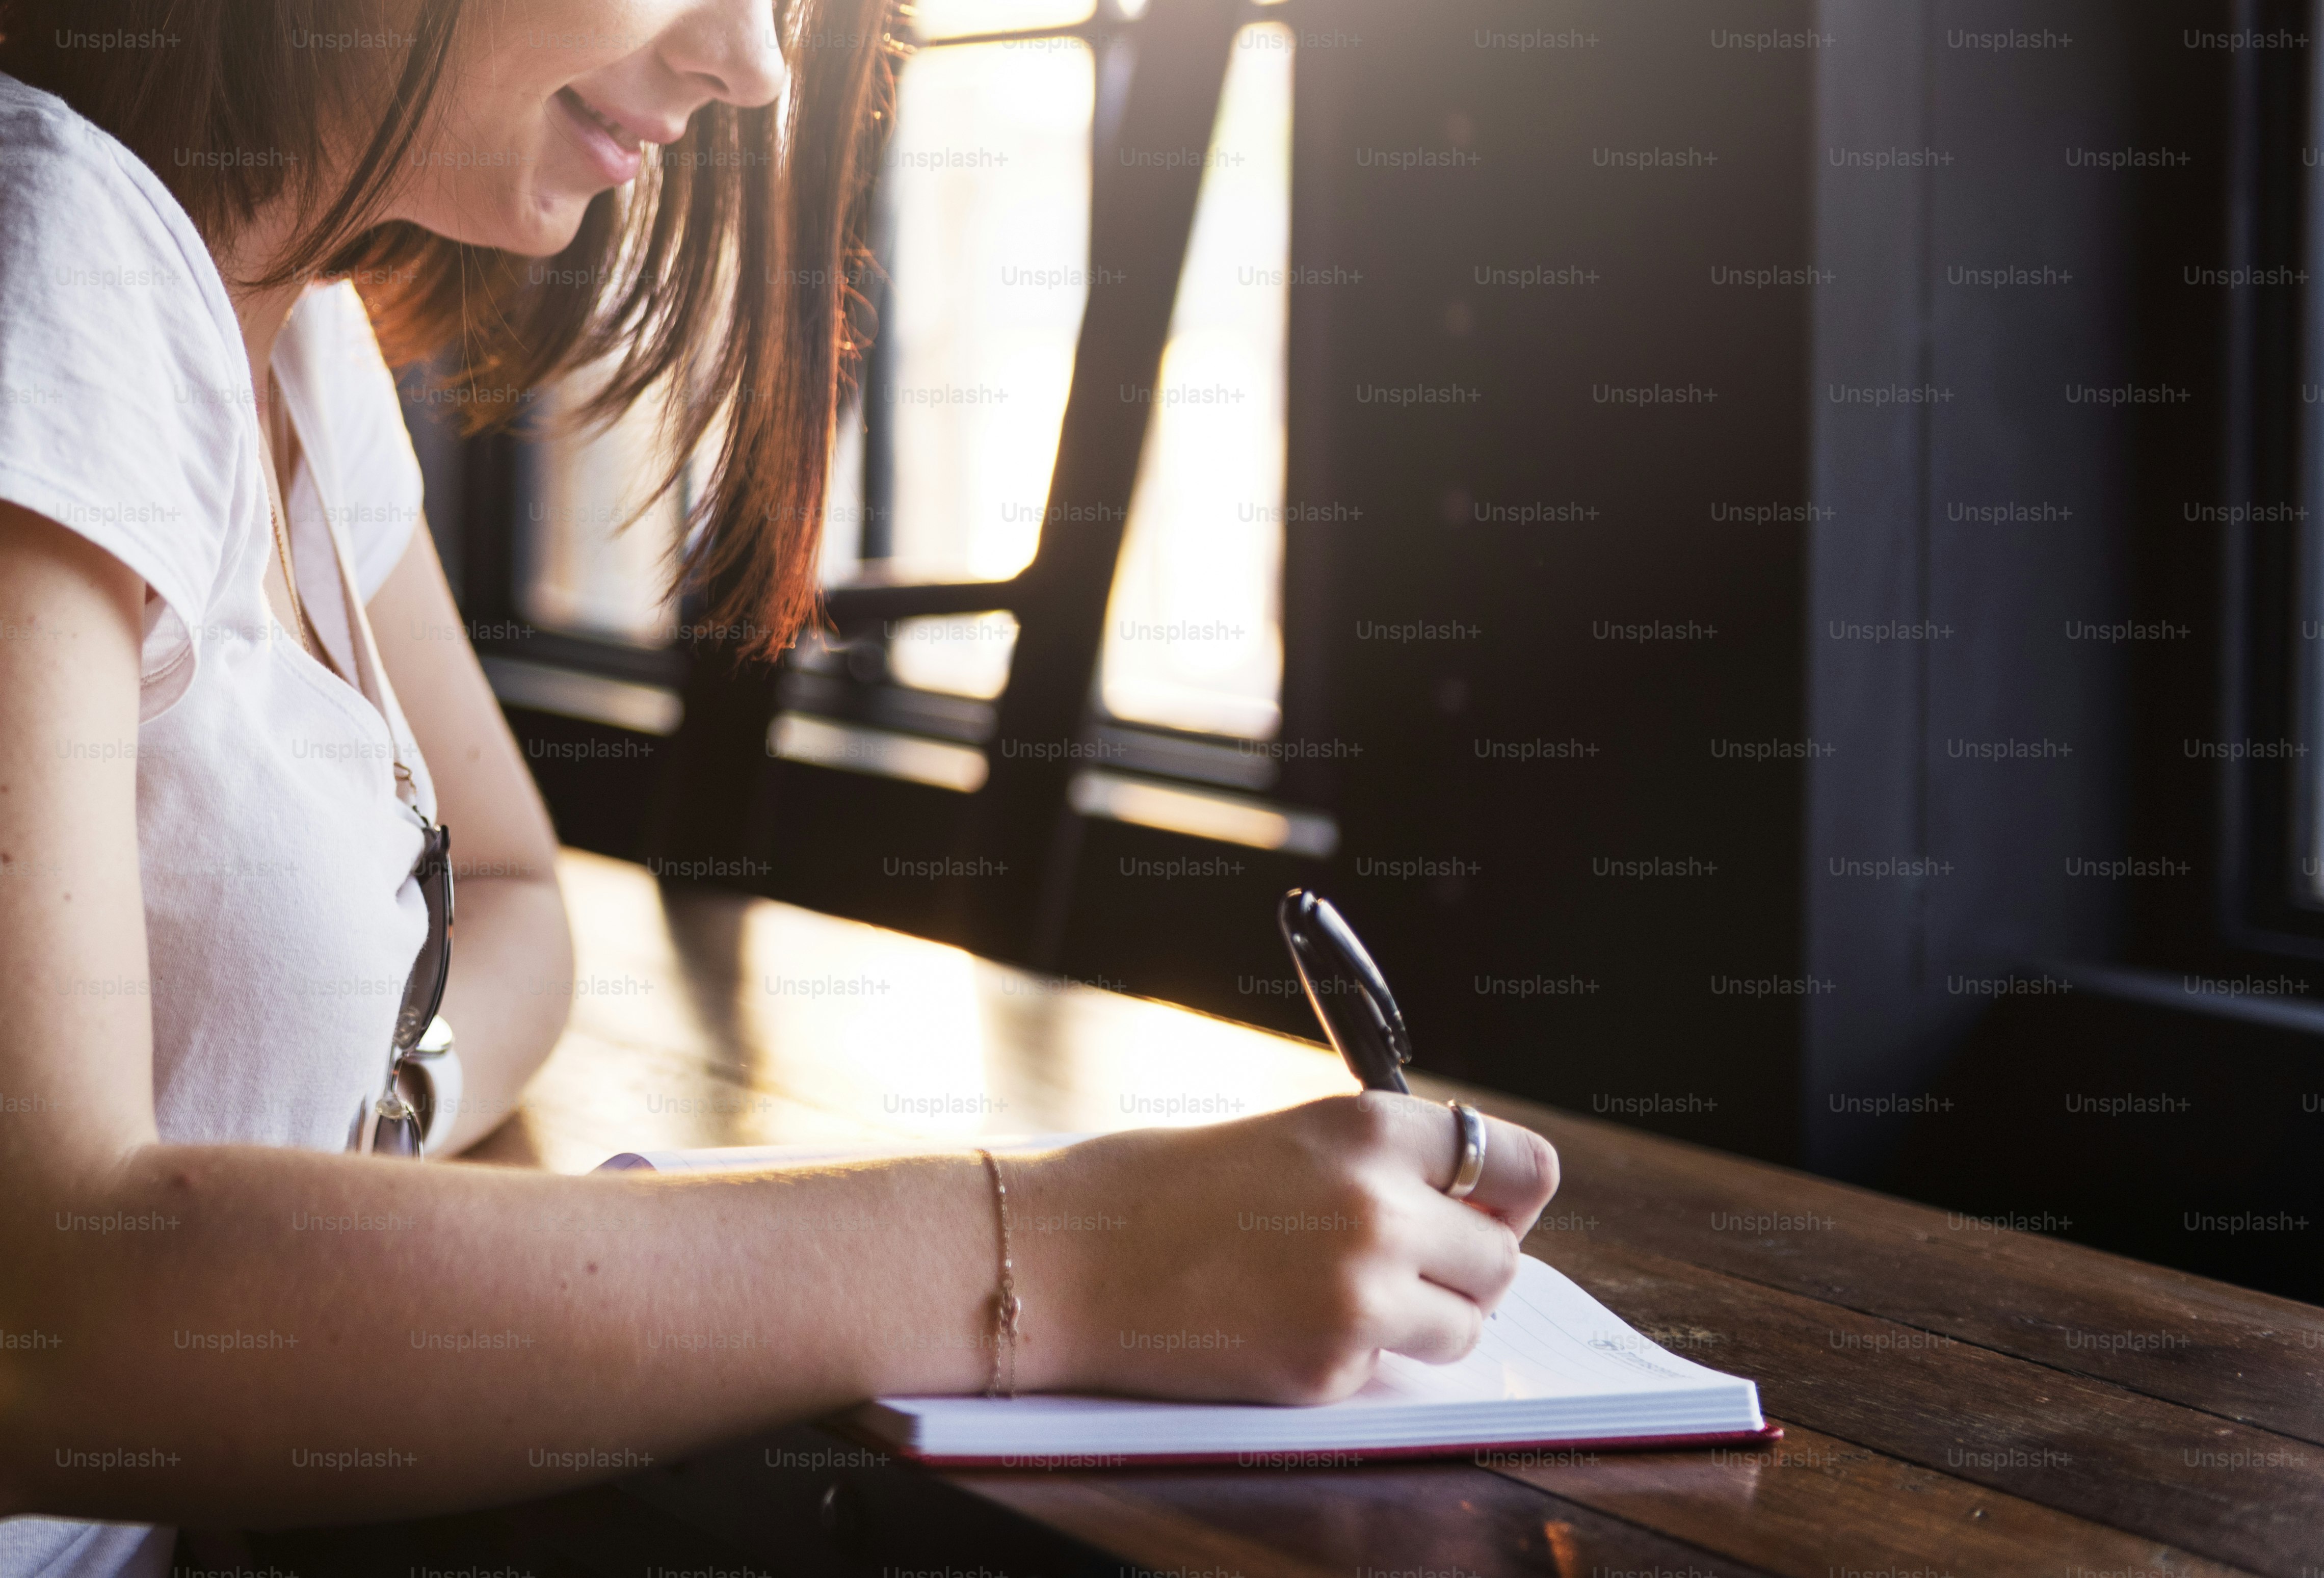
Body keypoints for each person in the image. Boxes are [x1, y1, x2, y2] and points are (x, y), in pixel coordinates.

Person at [0, 3, 1562, 1572]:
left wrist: (341, 1147)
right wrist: (1076, 1252)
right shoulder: (49, 242)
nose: (750, 65)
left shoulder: (295, 341)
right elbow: (42, 1314)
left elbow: (513, 897)